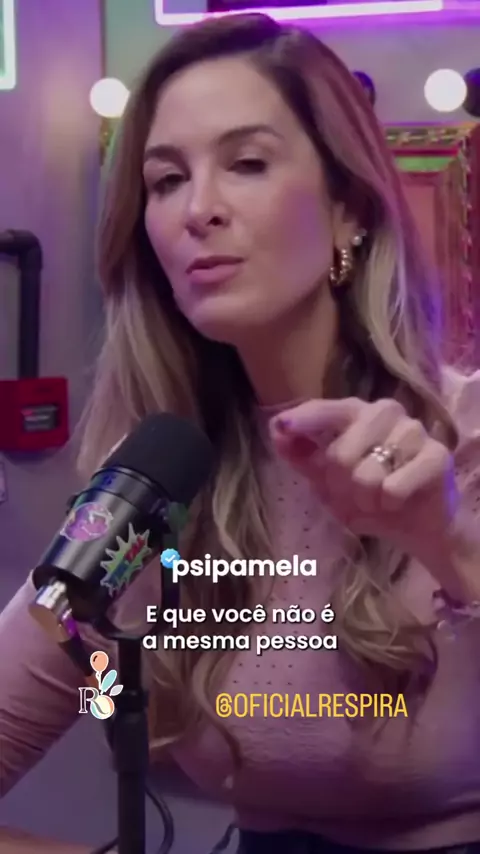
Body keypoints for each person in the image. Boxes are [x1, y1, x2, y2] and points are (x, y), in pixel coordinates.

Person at [1, 12, 480, 854]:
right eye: (165, 180)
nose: (199, 210)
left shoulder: (465, 437)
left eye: (247, 164)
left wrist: (448, 547)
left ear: (348, 210)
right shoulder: (154, 485)